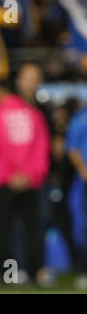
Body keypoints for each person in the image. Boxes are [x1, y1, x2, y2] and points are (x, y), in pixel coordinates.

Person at [0, 80, 50, 286]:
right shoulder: (34, 115)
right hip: (30, 182)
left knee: (5, 231)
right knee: (33, 229)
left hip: (4, 183)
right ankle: (34, 273)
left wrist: (9, 175)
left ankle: (8, 275)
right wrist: (30, 174)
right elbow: (42, 148)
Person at [66, 104, 87, 290]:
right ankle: (83, 270)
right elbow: (73, 149)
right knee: (83, 227)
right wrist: (84, 171)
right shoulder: (81, 118)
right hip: (85, 182)